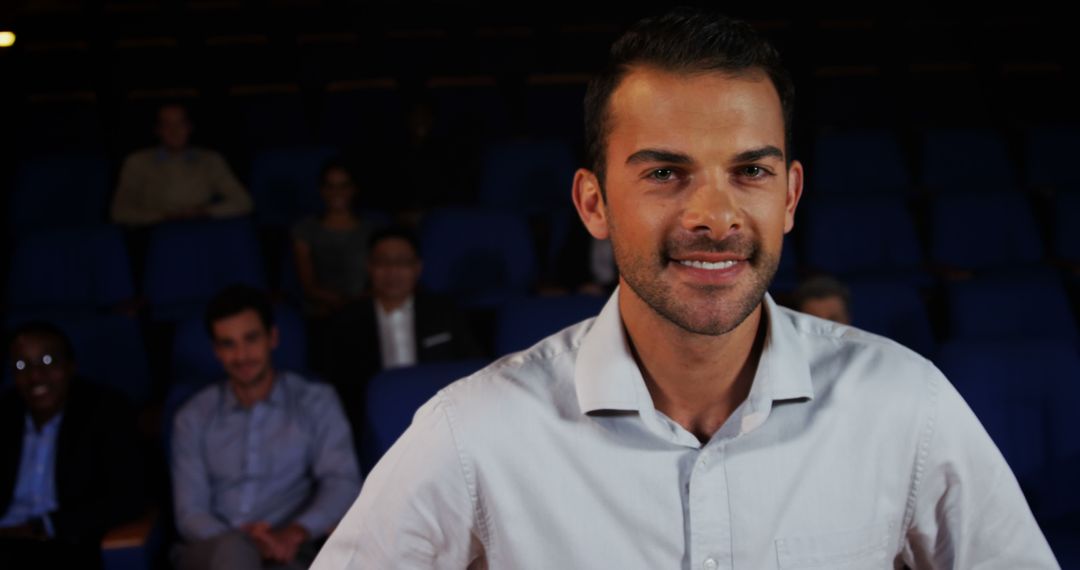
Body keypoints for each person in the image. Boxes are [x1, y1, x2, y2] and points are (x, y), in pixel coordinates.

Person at [312, 9, 1057, 569]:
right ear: (593, 203)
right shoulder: (471, 434)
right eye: (665, 173)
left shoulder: (907, 406)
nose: (714, 216)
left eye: (751, 171)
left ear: (791, 196)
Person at [171, 285, 361, 570]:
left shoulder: (315, 402)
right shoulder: (193, 416)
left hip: (290, 547)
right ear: (216, 351)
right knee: (234, 552)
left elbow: (342, 481)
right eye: (228, 344)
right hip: (212, 551)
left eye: (251, 339)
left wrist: (295, 532)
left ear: (272, 338)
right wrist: (247, 542)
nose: (242, 355)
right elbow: (190, 512)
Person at [317, 227, 482, 443]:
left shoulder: (445, 313)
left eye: (402, 262)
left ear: (417, 268)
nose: (392, 271)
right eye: (383, 262)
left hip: (441, 426)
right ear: (369, 267)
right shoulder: (345, 321)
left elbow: (472, 370)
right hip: (374, 428)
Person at [0, 322, 144, 569]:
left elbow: (129, 495)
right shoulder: (3, 414)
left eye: (47, 362)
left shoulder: (105, 411)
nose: (35, 376)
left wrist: (45, 526)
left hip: (65, 544)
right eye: (22, 365)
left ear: (70, 366)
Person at [111, 103, 253, 226]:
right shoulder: (137, 162)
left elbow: (243, 202)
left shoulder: (210, 160)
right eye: (167, 125)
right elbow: (120, 212)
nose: (174, 130)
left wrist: (203, 212)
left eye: (180, 123)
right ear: (158, 130)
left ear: (189, 127)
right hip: (155, 233)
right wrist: (163, 216)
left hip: (202, 229)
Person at [291, 160, 373, 317]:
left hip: (364, 310)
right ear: (322, 190)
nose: (337, 192)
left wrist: (358, 303)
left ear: (353, 189)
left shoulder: (371, 230)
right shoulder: (305, 229)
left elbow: (379, 277)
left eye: (343, 186)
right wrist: (339, 303)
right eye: (330, 186)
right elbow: (308, 285)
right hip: (322, 313)